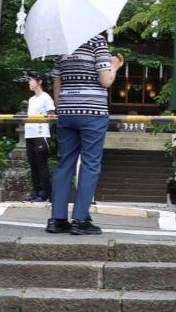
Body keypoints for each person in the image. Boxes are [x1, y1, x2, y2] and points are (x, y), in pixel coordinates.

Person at [45, 33, 123, 235]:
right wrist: (114, 65)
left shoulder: (63, 44)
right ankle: (80, 220)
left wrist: (61, 107)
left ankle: (57, 219)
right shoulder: (97, 41)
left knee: (65, 164)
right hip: (92, 112)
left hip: (66, 112)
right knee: (90, 164)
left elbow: (56, 80)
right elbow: (105, 80)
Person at [23, 71, 55, 203]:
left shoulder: (46, 97)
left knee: (42, 166)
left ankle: (46, 193)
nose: (29, 82)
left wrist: (41, 124)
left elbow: (51, 116)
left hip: (40, 134)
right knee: (33, 165)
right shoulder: (31, 99)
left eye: (31, 80)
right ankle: (35, 191)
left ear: (39, 81)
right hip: (29, 133)